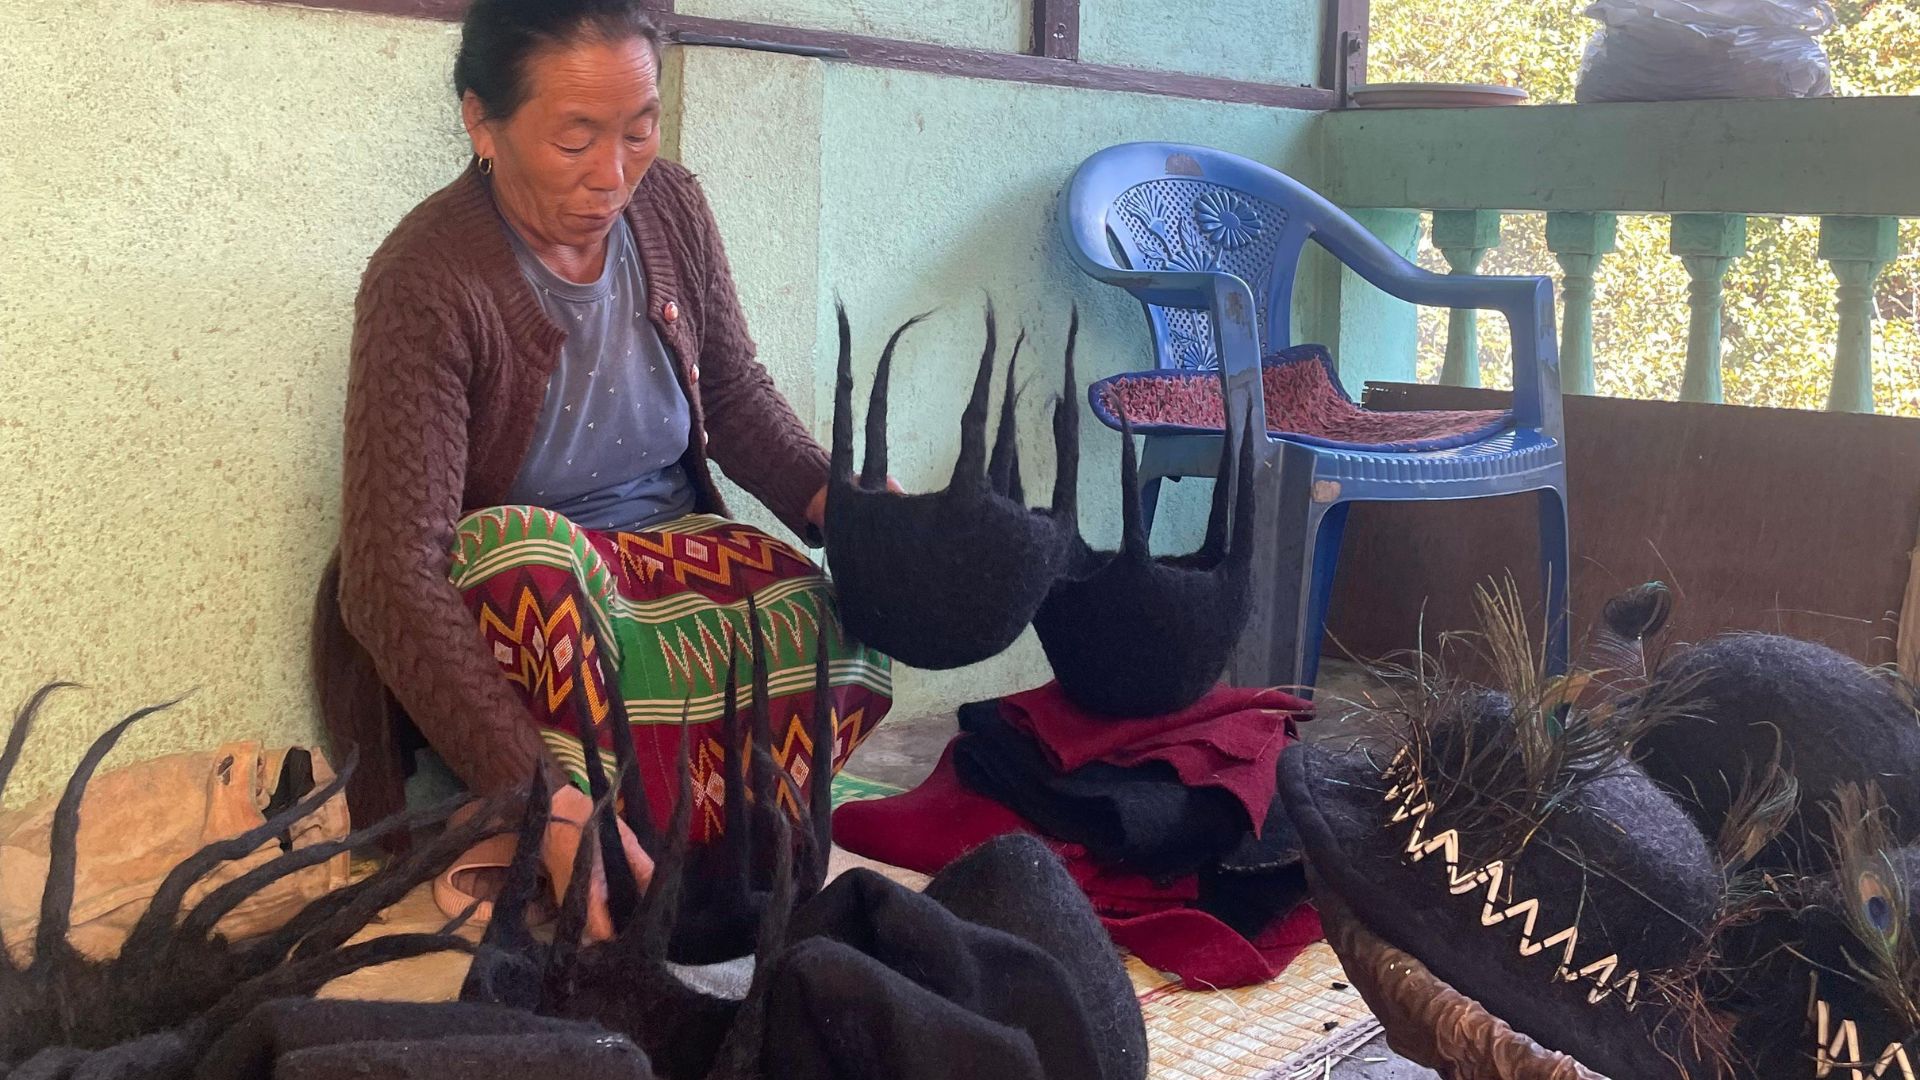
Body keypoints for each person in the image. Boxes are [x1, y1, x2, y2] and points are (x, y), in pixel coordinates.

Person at [317, 0, 892, 939]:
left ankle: (675, 834)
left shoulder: (673, 208)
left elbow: (737, 395)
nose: (614, 174)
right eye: (576, 137)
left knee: (823, 613)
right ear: (481, 122)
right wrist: (542, 792)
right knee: (529, 566)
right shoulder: (425, 278)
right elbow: (388, 576)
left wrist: (855, 513)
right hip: (535, 582)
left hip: (659, 559)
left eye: (640, 129)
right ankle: (554, 814)